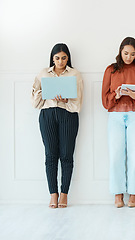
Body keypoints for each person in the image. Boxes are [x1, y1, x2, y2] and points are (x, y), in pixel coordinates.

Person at [32, 43, 84, 208]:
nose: (60, 61)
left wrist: (66, 99)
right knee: (50, 156)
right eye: (57, 58)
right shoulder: (43, 73)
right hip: (47, 115)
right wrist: (44, 92)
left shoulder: (75, 74)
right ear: (52, 58)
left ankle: (64, 195)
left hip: (68, 115)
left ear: (68, 58)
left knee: (67, 156)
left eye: (63, 58)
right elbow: (35, 101)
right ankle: (53, 194)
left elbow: (78, 104)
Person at [102, 37, 135, 208]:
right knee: (115, 155)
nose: (128, 57)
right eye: (126, 53)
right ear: (120, 51)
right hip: (115, 116)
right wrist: (116, 95)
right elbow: (105, 101)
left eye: (132, 54)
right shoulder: (111, 70)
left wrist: (134, 95)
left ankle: (134, 193)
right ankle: (118, 193)